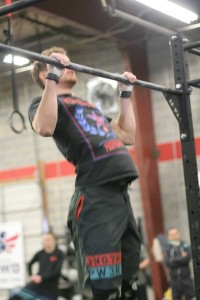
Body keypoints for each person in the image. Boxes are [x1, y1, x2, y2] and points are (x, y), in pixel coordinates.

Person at [28, 46, 141, 300]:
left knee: (130, 281)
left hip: (119, 195)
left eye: (66, 59)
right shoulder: (43, 104)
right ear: (44, 72)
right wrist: (52, 78)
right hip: (94, 195)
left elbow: (127, 134)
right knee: (106, 286)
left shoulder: (87, 106)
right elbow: (44, 127)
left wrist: (125, 94)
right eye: (58, 61)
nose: (68, 63)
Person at [8, 232, 64, 300]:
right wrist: (31, 275)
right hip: (38, 285)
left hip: (51, 287)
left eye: (48, 239)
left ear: (54, 241)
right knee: (16, 297)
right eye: (44, 240)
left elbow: (57, 271)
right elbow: (30, 264)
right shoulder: (40, 253)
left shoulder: (59, 254)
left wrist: (41, 277)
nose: (46, 241)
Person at [163, 227, 195, 300]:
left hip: (186, 279)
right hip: (174, 280)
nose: (174, 236)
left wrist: (173, 260)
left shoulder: (185, 245)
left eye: (175, 234)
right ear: (168, 236)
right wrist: (181, 257)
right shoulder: (167, 247)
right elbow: (167, 262)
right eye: (172, 235)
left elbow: (187, 258)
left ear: (179, 234)